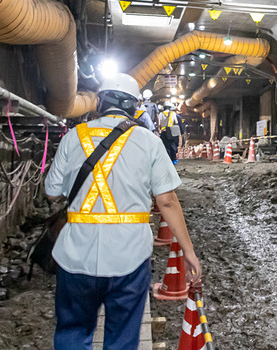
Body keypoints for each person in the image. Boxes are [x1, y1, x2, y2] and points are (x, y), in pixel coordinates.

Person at [45, 73, 201, 349]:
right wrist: (188, 251)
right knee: (122, 338)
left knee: (72, 331)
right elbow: (166, 201)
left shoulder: (73, 137)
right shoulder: (149, 141)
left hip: (75, 255)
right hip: (129, 256)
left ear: (99, 104)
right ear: (135, 107)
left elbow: (52, 191)